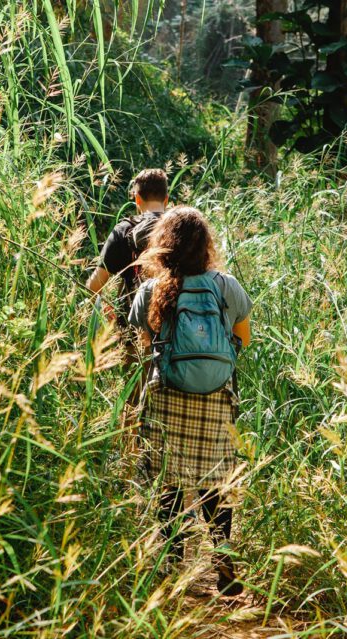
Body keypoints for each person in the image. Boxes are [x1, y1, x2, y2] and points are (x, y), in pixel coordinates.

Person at [128, 207, 252, 596]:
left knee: (170, 485)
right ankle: (225, 567)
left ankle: (170, 566)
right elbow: (243, 340)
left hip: (168, 398)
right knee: (216, 486)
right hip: (216, 400)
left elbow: (147, 346)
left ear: (163, 244)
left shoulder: (151, 290)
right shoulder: (226, 285)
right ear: (206, 244)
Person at [86, 168, 169, 330]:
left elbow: (95, 286)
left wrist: (107, 312)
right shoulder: (182, 227)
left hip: (134, 327)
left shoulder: (124, 230)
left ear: (137, 199)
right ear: (166, 199)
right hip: (175, 327)